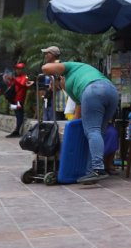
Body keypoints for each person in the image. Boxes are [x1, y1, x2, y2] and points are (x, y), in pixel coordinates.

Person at [40, 56, 121, 184]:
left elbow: (45, 67)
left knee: (93, 131)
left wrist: (54, 71)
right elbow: (78, 115)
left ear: (61, 78)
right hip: (111, 91)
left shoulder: (70, 68)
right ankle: (91, 173)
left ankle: (98, 169)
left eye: (59, 85)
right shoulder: (76, 84)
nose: (62, 88)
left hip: (93, 90)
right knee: (98, 132)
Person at [4, 63, 31, 138]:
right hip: (14, 99)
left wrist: (13, 79)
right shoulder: (17, 77)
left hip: (20, 99)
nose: (17, 70)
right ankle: (17, 130)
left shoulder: (25, 77)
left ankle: (17, 131)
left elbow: (21, 85)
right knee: (17, 114)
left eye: (19, 69)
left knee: (19, 114)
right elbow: (12, 86)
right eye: (17, 69)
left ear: (22, 70)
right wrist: (8, 80)